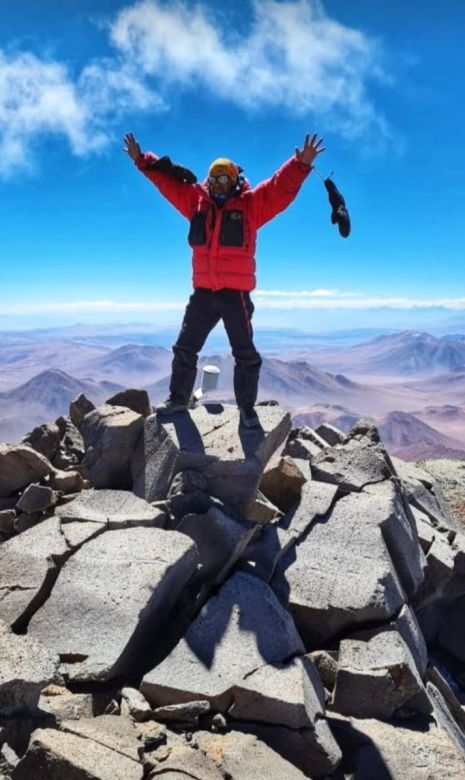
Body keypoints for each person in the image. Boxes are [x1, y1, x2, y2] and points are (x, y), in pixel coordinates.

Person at [124, 131, 325, 427]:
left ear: (234, 180)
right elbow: (166, 183)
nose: (218, 185)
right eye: (214, 179)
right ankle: (178, 399)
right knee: (184, 348)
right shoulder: (196, 202)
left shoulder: (250, 205)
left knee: (245, 353)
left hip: (235, 296)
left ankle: (246, 409)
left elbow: (278, 190)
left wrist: (300, 164)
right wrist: (143, 161)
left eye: (224, 179)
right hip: (203, 292)